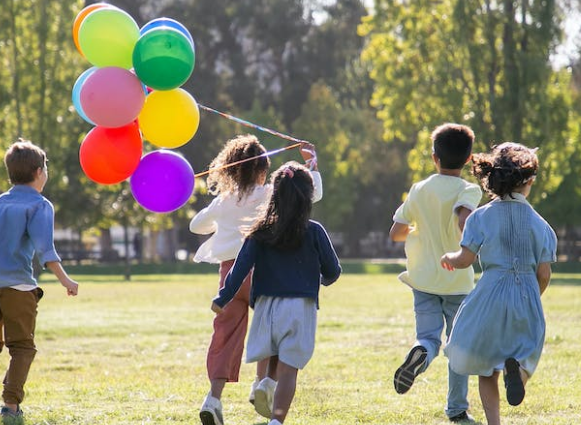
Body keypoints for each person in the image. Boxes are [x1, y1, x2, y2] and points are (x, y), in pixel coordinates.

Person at [190, 135, 322, 425]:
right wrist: (312, 166)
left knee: (224, 336)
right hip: (262, 273)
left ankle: (213, 398)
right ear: (263, 169)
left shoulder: (224, 201)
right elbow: (311, 195)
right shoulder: (268, 194)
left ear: (230, 170)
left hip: (229, 277)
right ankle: (263, 383)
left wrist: (221, 215)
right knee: (274, 329)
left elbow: (196, 225)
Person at [211, 161, 341, 425]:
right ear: (307, 197)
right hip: (299, 308)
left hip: (266, 307)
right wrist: (322, 279)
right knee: (290, 368)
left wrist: (223, 298)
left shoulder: (259, 231)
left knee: (273, 351)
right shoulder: (314, 230)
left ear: (274, 194)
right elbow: (333, 270)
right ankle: (277, 420)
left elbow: (240, 269)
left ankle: (265, 382)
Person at [441, 142, 557, 425]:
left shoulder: (480, 216)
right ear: (528, 181)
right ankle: (517, 374)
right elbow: (544, 274)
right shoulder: (541, 225)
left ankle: (494, 422)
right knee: (527, 354)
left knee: (485, 366)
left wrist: (450, 258)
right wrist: (532, 296)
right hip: (526, 295)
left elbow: (466, 258)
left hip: (489, 296)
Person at [389, 123, 482, 423]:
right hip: (456, 280)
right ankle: (457, 409)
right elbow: (463, 218)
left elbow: (396, 232)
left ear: (434, 158)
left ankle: (420, 353)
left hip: (423, 279)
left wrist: (420, 230)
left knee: (428, 337)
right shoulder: (469, 189)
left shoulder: (419, 189)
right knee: (458, 346)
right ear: (468, 160)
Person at [0, 139, 79, 425]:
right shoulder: (39, 205)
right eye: (46, 168)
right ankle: (10, 407)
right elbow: (46, 250)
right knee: (22, 347)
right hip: (18, 287)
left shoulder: (1, 202)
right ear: (38, 172)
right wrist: (66, 280)